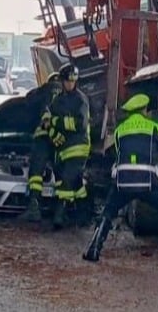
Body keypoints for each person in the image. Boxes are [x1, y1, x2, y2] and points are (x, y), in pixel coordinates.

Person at [83, 93, 158, 264]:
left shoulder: (119, 130)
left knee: (108, 211)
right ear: (144, 110)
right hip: (148, 181)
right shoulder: (153, 127)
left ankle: (93, 249)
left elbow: (119, 153)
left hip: (123, 182)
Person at [47, 63, 91, 229]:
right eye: (68, 81)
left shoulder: (80, 99)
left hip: (79, 147)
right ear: (62, 81)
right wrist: (53, 132)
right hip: (63, 149)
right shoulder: (57, 100)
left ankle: (59, 217)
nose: (71, 84)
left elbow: (80, 124)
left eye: (73, 81)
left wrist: (58, 123)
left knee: (66, 180)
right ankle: (84, 215)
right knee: (77, 183)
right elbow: (48, 117)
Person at [20, 72, 62, 222]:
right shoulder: (69, 94)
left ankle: (34, 207)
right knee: (61, 174)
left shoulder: (44, 90)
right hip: (60, 140)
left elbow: (29, 100)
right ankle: (59, 211)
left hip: (43, 138)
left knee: (36, 174)